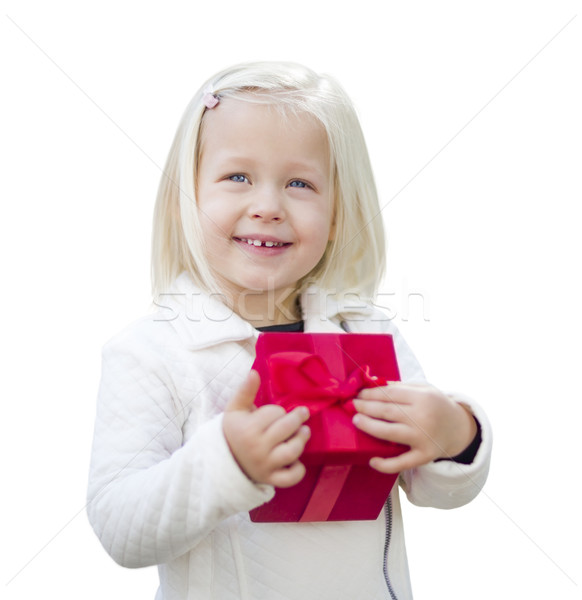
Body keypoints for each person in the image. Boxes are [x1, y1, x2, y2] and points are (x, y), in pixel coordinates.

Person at [87, 61, 492, 600]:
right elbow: (121, 530)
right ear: (188, 198)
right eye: (238, 177)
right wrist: (224, 462)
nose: (268, 207)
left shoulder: (368, 333)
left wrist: (455, 436)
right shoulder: (151, 353)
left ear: (338, 214)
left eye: (299, 183)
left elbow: (434, 489)